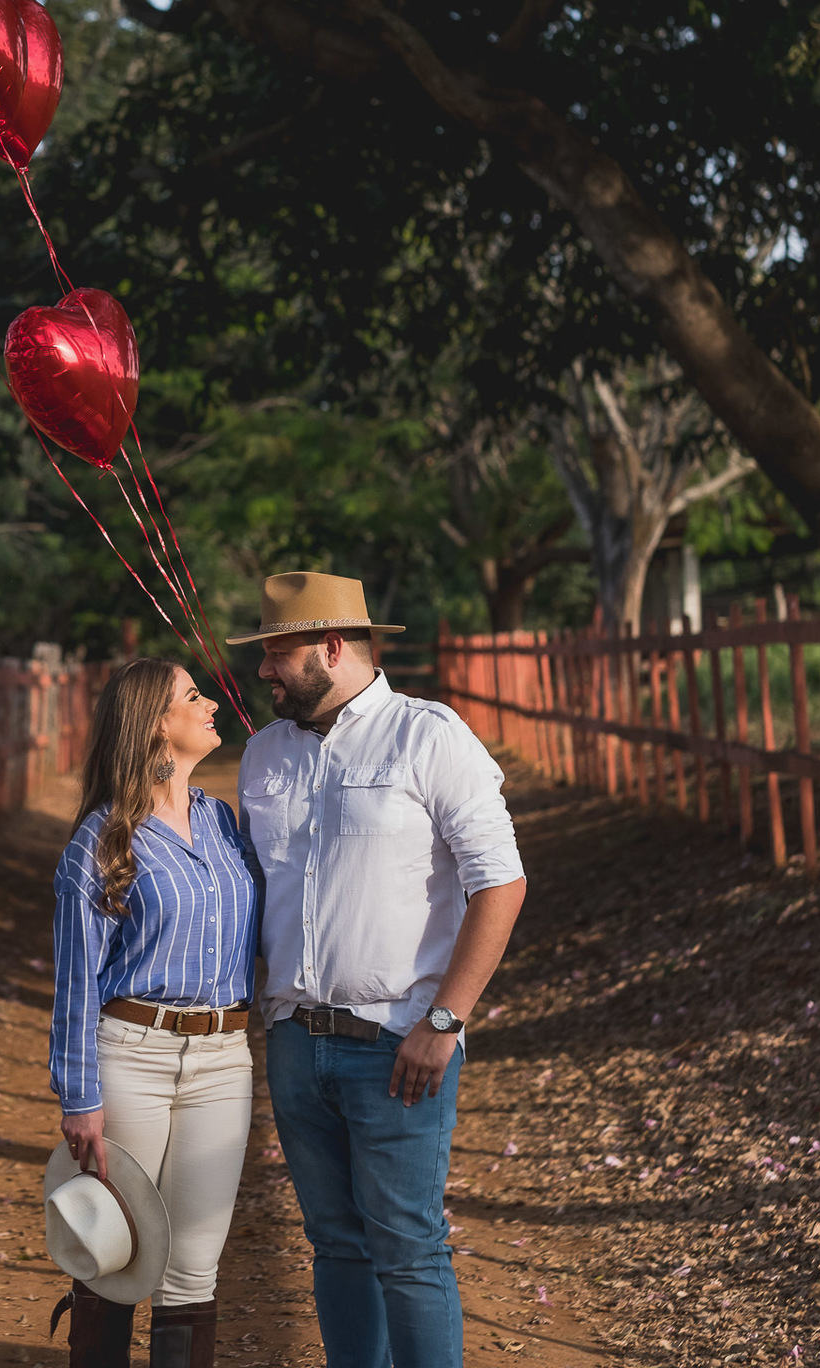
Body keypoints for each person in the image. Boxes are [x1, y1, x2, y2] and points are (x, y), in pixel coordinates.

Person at [229, 572, 527, 1368]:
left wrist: (445, 1021)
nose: (264, 669)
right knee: (334, 1243)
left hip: (399, 1042)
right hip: (295, 1042)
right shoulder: (262, 754)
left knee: (409, 1248)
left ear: (332, 648)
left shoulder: (430, 737)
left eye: (278, 653)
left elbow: (500, 883)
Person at [49, 656, 259, 1368]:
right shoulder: (102, 840)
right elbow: (75, 984)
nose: (212, 704)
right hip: (130, 1057)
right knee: (113, 1254)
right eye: (193, 696)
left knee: (194, 1267)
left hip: (224, 1059)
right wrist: (80, 1098)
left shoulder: (223, 822)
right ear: (155, 725)